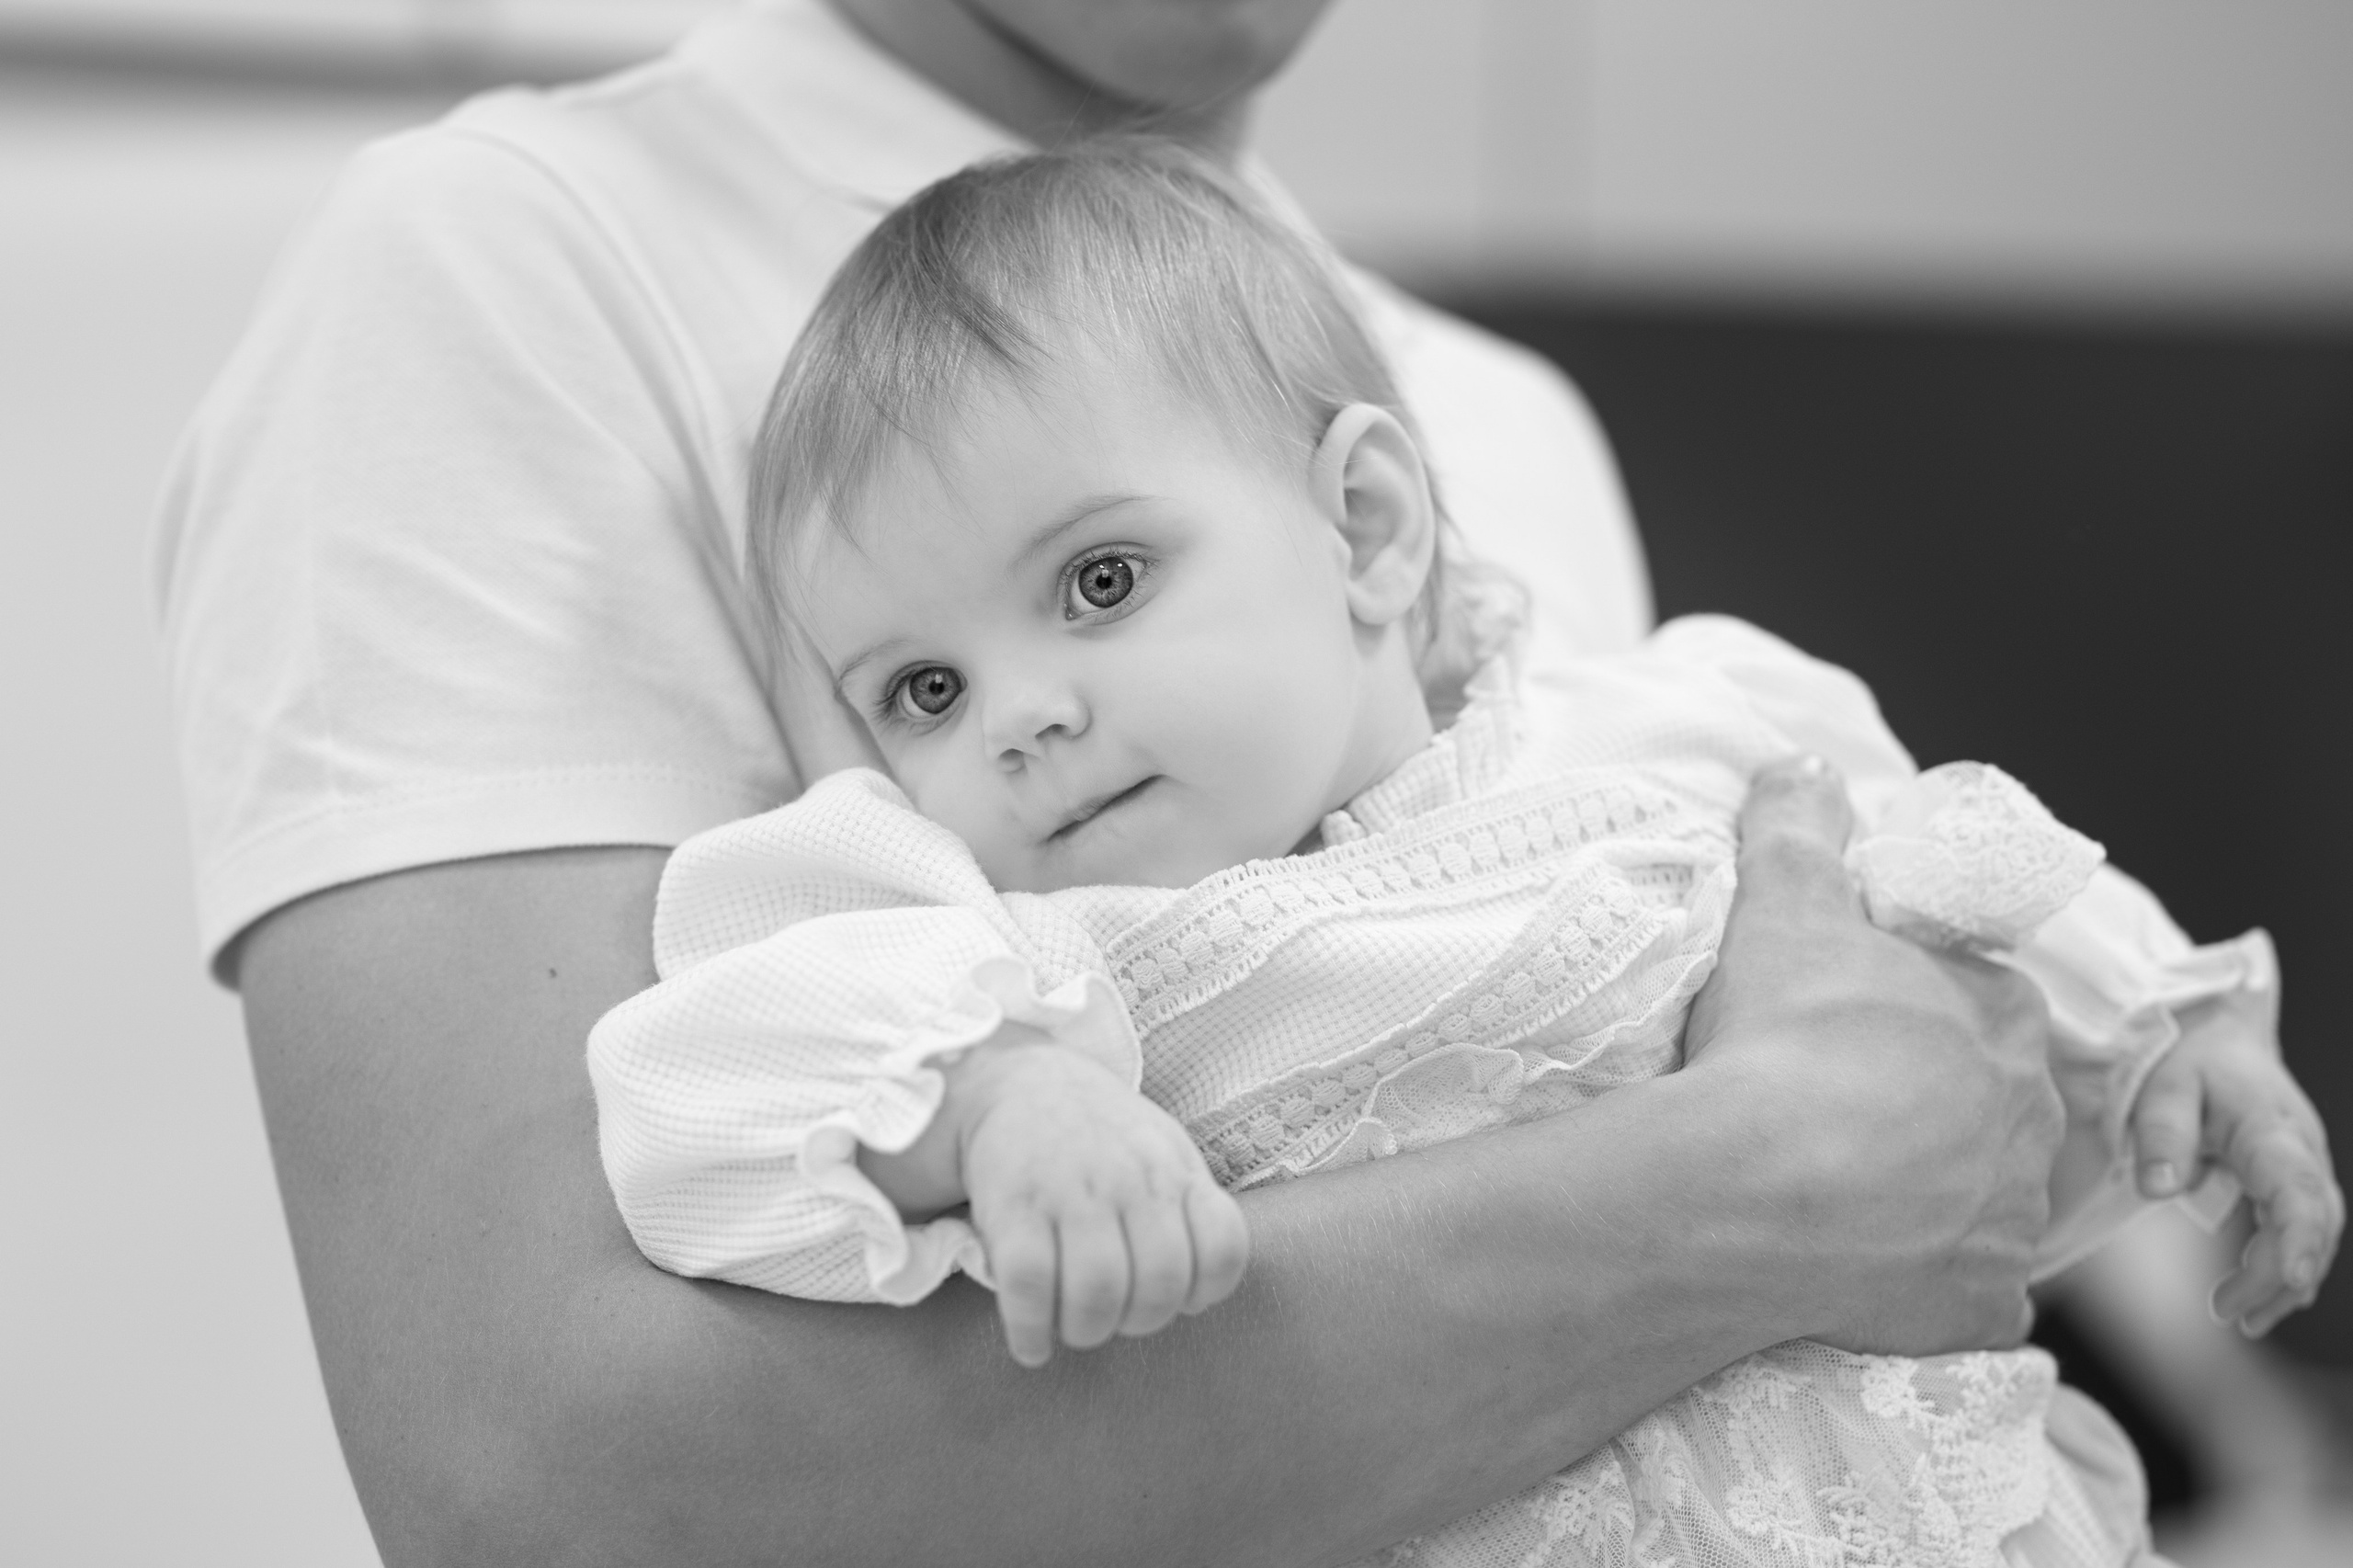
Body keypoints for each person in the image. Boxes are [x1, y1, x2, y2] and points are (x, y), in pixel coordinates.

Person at [150, 2, 2329, 1562]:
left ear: (1371, 525)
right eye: (908, 687)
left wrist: (2141, 1025)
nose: (1010, 716)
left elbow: (1909, 939)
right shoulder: (510, 261)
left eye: (1103, 576)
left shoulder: (1506, 434)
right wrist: (1764, 1186)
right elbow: (542, 1486)